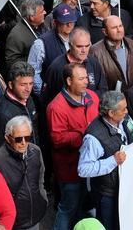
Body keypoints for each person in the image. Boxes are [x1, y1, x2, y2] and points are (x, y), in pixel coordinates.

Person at [77, 91, 133, 230]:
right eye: (123, 109)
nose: (127, 111)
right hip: (108, 194)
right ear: (111, 113)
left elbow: (132, 132)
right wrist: (112, 161)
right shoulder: (93, 138)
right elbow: (83, 169)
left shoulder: (124, 119)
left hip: (127, 187)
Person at [47, 63, 100, 230]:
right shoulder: (56, 107)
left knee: (84, 204)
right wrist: (84, 135)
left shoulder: (92, 97)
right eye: (81, 79)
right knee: (68, 207)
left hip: (91, 164)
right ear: (69, 81)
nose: (86, 82)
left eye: (86, 78)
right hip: (70, 167)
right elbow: (57, 138)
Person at [0, 116, 49, 230]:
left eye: (27, 137)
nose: (23, 143)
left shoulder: (35, 151)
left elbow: (40, 178)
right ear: (7, 137)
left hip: (35, 216)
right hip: (13, 223)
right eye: (18, 139)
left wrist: (43, 197)